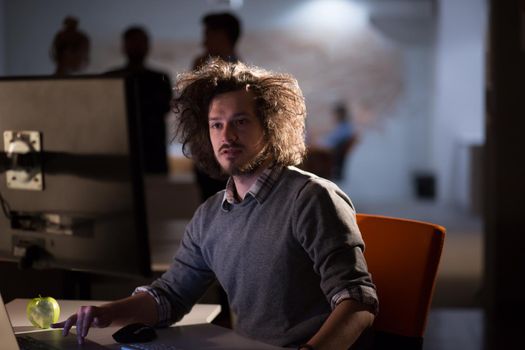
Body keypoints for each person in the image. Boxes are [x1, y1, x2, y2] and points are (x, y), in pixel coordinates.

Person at [53, 59, 378, 350]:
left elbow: (358, 303)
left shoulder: (311, 198)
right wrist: (107, 312)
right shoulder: (210, 215)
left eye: (240, 121)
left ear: (270, 127)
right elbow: (171, 295)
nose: (227, 136)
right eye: (216, 124)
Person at [106, 26, 172, 174]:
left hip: (149, 154)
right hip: (130, 151)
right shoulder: (159, 78)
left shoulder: (113, 78)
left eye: (140, 42)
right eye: (134, 42)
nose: (137, 46)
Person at [192, 12, 243, 202]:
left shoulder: (239, 73)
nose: (203, 42)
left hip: (227, 151)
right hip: (206, 150)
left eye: (207, 35)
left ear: (222, 35)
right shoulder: (202, 65)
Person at [319, 102, 358, 180]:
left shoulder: (345, 127)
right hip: (333, 152)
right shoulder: (343, 126)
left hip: (331, 153)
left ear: (341, 114)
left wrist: (319, 144)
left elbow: (332, 142)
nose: (334, 116)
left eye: (336, 114)